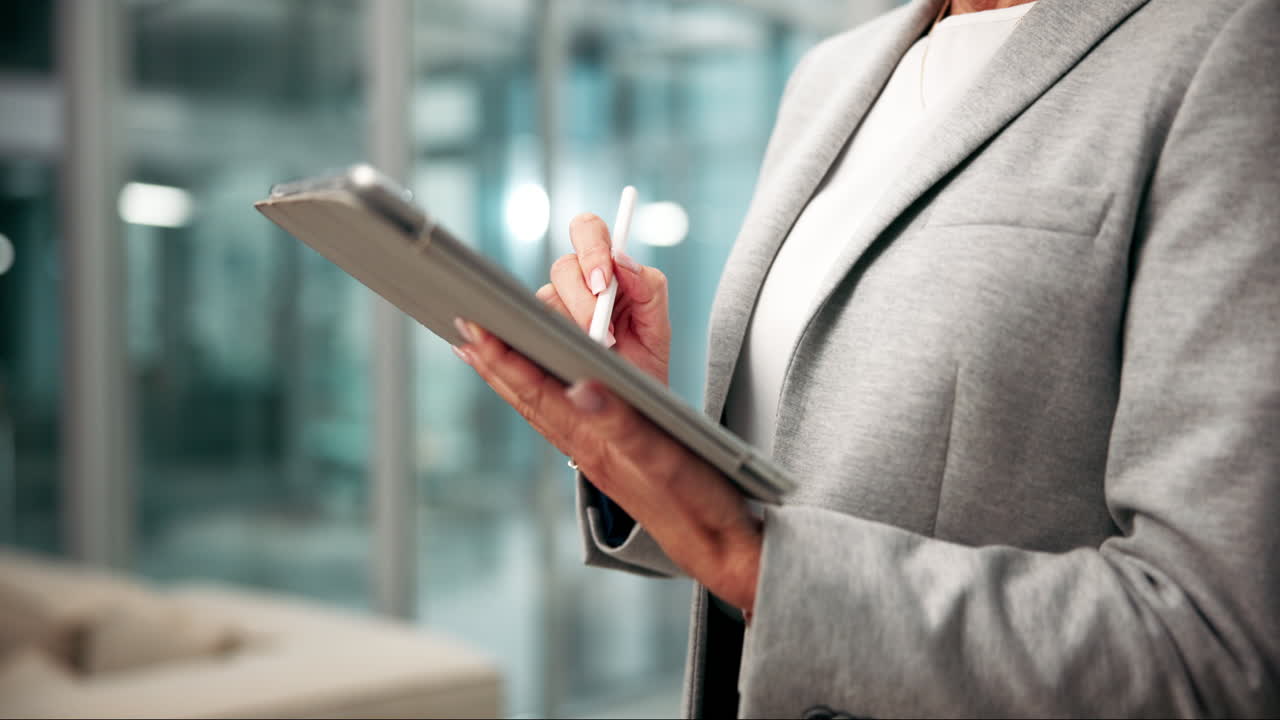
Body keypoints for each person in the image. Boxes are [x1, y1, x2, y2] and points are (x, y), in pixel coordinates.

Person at [449, 0, 1279, 715]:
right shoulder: (829, 74)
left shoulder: (1226, 43)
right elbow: (815, 486)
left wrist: (755, 558)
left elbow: (1215, 649)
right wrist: (643, 426)